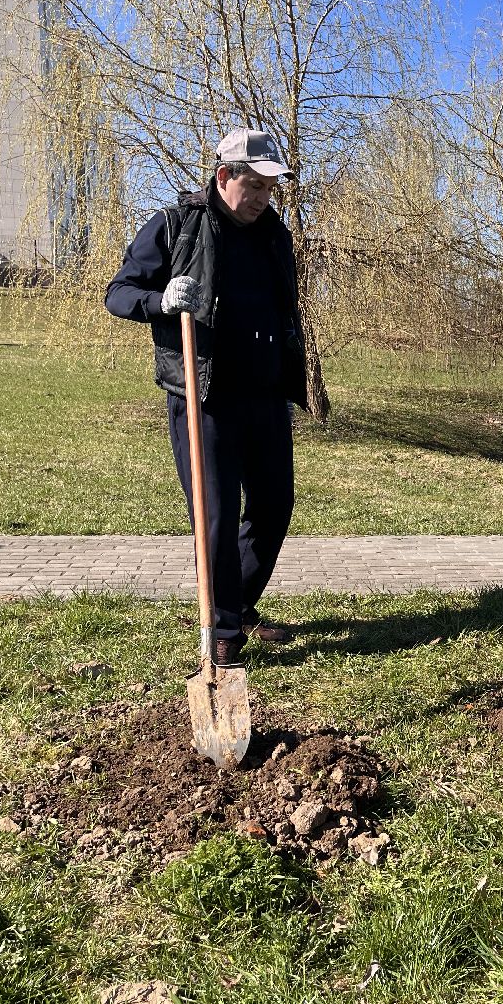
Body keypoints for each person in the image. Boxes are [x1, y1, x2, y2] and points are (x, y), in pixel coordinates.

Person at [105, 127, 307, 666]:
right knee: (215, 515)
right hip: (205, 394)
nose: (265, 198)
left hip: (264, 395)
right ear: (224, 177)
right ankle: (222, 633)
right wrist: (161, 300)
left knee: (273, 506)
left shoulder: (274, 234)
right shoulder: (176, 226)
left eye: (271, 189)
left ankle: (237, 602)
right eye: (256, 187)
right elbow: (118, 293)